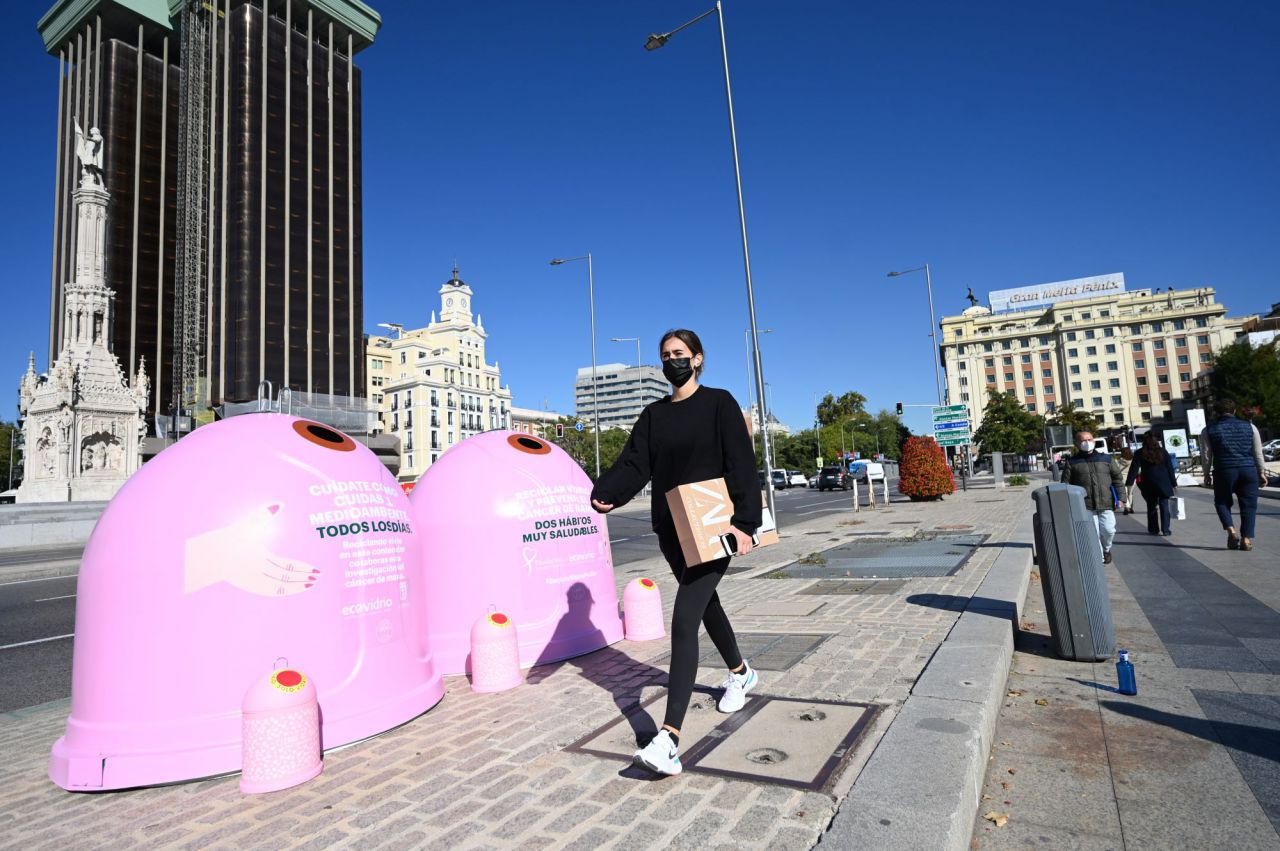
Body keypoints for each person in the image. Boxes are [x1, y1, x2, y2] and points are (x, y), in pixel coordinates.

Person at [590, 329, 760, 776]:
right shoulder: (653, 415)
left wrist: (745, 522)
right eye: (666, 355)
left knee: (685, 617)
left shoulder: (720, 404)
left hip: (714, 525)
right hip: (672, 528)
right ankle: (741, 672)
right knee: (707, 606)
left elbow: (742, 461)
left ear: (698, 359)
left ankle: (669, 739)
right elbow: (634, 462)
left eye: (680, 354)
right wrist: (608, 492)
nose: (673, 361)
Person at [1200, 398, 1268, 551]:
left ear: (1216, 413)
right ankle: (1246, 539)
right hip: (1248, 470)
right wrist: (1261, 471)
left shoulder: (1208, 430)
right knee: (1249, 506)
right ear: (1234, 411)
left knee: (1222, 502)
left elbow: (1206, 455)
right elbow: (1258, 452)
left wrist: (1206, 474)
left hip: (1224, 470)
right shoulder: (1250, 427)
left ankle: (1231, 530)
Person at [1060, 431, 1126, 563]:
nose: (1087, 443)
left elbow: (1117, 479)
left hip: (1106, 503)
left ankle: (1106, 548)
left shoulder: (1106, 459)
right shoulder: (1072, 462)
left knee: (1109, 530)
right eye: (1083, 441)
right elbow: (1065, 485)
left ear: (1094, 441)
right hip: (1086, 505)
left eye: (1089, 439)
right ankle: (1100, 558)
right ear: (1077, 444)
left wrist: (1121, 498)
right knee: (1093, 533)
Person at [1126, 432, 1177, 536]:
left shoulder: (1139, 453)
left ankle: (1153, 529)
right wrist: (1173, 482)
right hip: (1164, 482)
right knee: (1164, 506)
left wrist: (1129, 482)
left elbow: (1134, 469)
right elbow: (1170, 468)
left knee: (1151, 506)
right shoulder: (1163, 452)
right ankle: (1166, 529)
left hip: (1148, 483)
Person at [1116, 447, 1135, 515]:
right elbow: (1138, 470)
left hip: (1122, 478)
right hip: (1132, 478)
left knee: (1125, 494)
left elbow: (1116, 470)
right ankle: (1131, 508)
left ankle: (1126, 507)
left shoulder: (1118, 461)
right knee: (1130, 493)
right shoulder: (1133, 461)